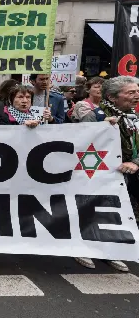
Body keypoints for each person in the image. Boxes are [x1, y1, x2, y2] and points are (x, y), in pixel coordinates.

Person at [72, 76, 139, 273]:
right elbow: (78, 143)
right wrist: (100, 129)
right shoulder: (95, 116)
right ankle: (81, 246)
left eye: (137, 91)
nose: (136, 96)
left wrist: (135, 162)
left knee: (115, 212)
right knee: (90, 210)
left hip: (126, 175)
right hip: (96, 174)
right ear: (112, 97)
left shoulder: (134, 118)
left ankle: (109, 250)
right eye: (131, 92)